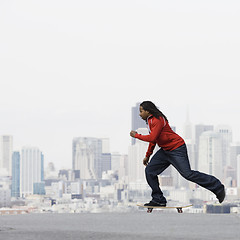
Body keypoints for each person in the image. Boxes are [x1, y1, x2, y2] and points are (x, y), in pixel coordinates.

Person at [130, 101, 225, 207]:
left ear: (148, 111)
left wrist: (136, 135)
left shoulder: (158, 119)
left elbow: (152, 138)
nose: (140, 114)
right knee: (150, 171)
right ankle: (158, 199)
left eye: (141, 111)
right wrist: (148, 155)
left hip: (177, 149)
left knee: (187, 174)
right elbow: (154, 140)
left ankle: (218, 187)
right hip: (165, 150)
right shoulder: (149, 121)